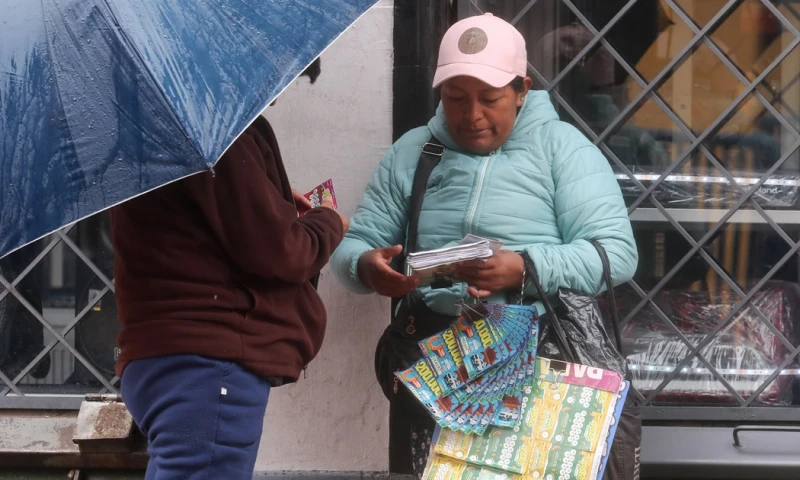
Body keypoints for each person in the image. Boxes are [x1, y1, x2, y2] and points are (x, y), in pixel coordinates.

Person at [330, 14, 638, 478]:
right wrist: (367, 268)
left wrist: (525, 266)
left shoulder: (563, 149)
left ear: (522, 90)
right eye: (455, 98)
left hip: (541, 363)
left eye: (490, 99)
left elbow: (616, 253)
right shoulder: (415, 152)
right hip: (433, 367)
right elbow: (353, 247)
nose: (471, 115)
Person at [110, 58, 349, 480]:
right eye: (276, 75)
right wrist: (328, 221)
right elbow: (282, 251)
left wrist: (266, 197)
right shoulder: (212, 127)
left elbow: (196, 228)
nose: (275, 96)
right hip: (207, 362)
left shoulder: (150, 119)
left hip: (160, 359)